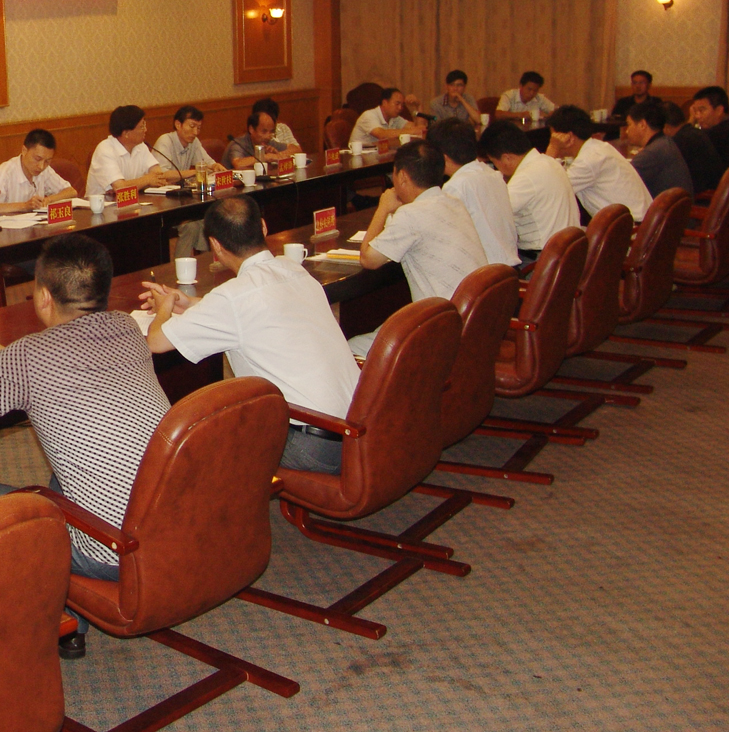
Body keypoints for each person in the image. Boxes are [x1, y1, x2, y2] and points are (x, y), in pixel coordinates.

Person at [0, 234, 169, 658]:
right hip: (173, 526)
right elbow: (71, 364)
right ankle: (72, 617)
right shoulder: (127, 328)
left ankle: (51, 619)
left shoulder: (28, 357)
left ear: (43, 296)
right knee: (66, 474)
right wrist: (10, 359)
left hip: (117, 551)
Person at [139, 197, 360, 477]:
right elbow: (254, 308)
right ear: (264, 227)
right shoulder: (292, 268)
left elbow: (156, 342)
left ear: (215, 246)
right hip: (358, 429)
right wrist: (192, 304)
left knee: (200, 436)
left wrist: (163, 308)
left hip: (314, 447)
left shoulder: (232, 298)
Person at [351, 141, 486, 354]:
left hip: (442, 327)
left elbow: (368, 259)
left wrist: (383, 208)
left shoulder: (411, 215)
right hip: (474, 322)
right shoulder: (453, 202)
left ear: (403, 176)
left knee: (349, 348)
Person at [480, 121, 579, 261]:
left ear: (507, 158)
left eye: (494, 163)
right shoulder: (548, 161)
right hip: (569, 252)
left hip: (543, 259)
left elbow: (494, 217)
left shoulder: (525, 178)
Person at [429, 120, 520, 267]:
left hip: (486, 273)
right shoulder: (492, 174)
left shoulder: (456, 187)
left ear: (442, 157)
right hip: (508, 267)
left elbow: (443, 238)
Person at [545, 105, 652, 223]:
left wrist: (553, 148)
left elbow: (547, 191)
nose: (552, 141)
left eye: (553, 137)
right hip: (640, 222)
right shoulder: (597, 147)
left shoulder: (588, 160)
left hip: (633, 228)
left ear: (568, 137)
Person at [0, 129, 79, 212]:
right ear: (24, 150)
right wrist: (24, 206)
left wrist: (49, 200)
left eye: (47, 161)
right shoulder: (4, 173)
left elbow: (71, 192)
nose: (41, 166)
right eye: (37, 159)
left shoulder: (45, 170)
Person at [86, 105, 170, 195]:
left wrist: (136, 184)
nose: (145, 130)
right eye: (141, 127)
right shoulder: (105, 150)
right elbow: (120, 188)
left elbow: (158, 176)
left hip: (133, 200)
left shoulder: (140, 146)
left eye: (144, 125)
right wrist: (146, 180)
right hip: (103, 203)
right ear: (126, 133)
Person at [624, 99, 692, 198]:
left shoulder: (652, 152)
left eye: (629, 124)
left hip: (666, 207)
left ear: (642, 125)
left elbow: (622, 181)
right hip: (677, 205)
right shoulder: (665, 142)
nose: (627, 131)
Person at [662, 100, 724, 192]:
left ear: (666, 127)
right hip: (712, 191)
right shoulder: (694, 132)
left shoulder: (678, 142)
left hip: (701, 196)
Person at [152, 104, 225, 181]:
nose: (195, 132)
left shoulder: (194, 141)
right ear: (178, 125)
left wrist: (215, 166)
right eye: (192, 126)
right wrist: (195, 172)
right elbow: (162, 174)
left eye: (198, 128)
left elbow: (206, 162)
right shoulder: (165, 141)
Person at [223, 100, 296, 168]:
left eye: (271, 132)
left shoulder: (267, 142)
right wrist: (266, 157)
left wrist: (278, 155)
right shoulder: (238, 144)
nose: (268, 136)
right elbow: (238, 163)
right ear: (251, 129)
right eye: (264, 131)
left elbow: (295, 148)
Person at [691, 86, 729, 169]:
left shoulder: (719, 133)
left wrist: (690, 121)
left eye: (701, 110)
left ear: (719, 110)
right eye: (695, 111)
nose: (697, 116)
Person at [350, 87, 422, 147]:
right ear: (385, 103)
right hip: (359, 157)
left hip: (379, 157)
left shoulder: (395, 118)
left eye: (402, 105)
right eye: (397, 104)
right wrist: (410, 131)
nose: (400, 108)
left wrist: (419, 106)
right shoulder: (369, 115)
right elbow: (382, 135)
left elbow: (419, 130)